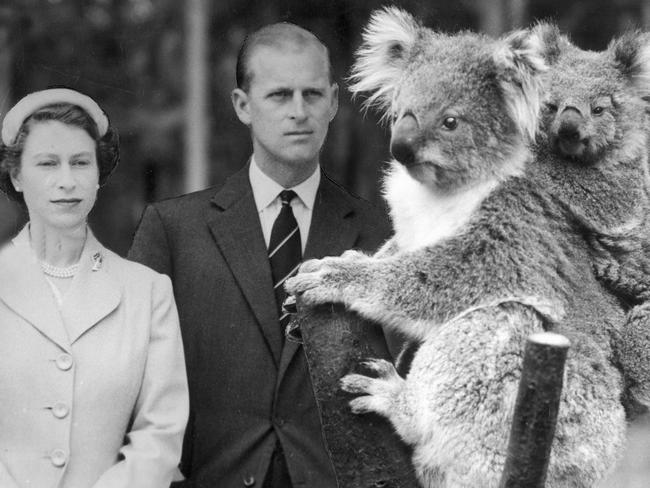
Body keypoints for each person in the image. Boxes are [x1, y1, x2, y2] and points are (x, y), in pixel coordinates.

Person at [128, 22, 392, 487]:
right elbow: (128, 387)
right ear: (242, 106)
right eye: (279, 95)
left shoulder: (383, 236)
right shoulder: (172, 231)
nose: (299, 112)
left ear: (333, 102)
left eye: (312, 95)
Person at [0, 88, 189, 488]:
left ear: (99, 174)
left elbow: (160, 435)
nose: (67, 181)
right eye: (48, 163)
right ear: (16, 176)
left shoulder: (148, 293)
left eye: (81, 163)